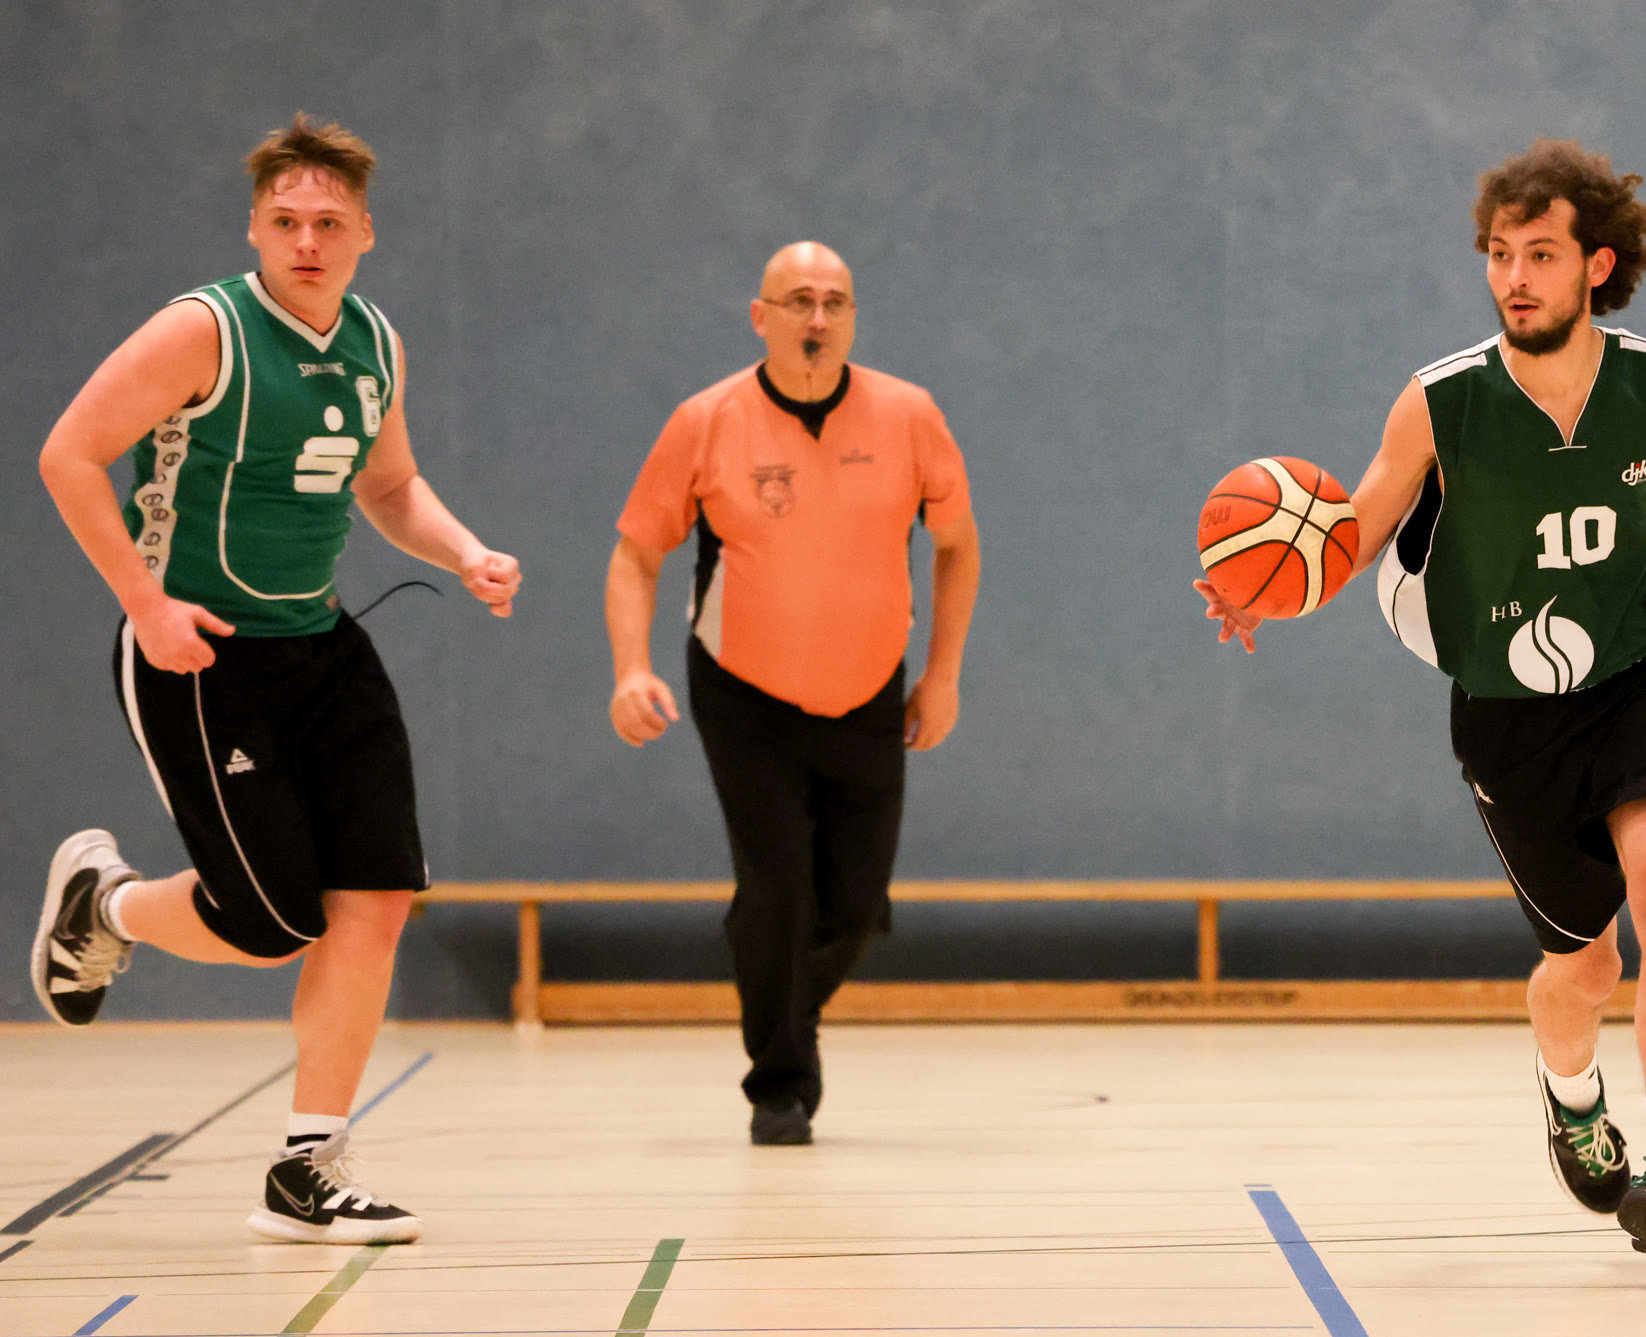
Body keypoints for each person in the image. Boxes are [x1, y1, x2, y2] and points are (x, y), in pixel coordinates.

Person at [1196, 140, 1646, 1260]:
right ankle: (1572, 1097)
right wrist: (1269, 591)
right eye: (1498, 254)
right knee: (1582, 967)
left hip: (1643, 673)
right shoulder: (1441, 401)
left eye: (1539, 254)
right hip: (1507, 712)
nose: (1513, 277)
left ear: (1594, 264)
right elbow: (1353, 534)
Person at [33, 113, 521, 1244]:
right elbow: (69, 453)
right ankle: (105, 902)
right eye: (286, 220)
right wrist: (146, 605)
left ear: (364, 234)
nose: (307, 241)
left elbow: (388, 486)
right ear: (254, 226)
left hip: (325, 648)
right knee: (270, 923)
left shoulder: (376, 341)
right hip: (202, 654)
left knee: (375, 900)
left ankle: (308, 1168)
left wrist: (465, 551)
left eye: (329, 224)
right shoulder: (202, 331)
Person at [607, 241, 980, 1146]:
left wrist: (941, 674)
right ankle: (779, 1083)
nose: (818, 319)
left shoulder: (909, 415)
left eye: (835, 302)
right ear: (761, 317)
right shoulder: (706, 420)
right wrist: (630, 669)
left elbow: (957, 545)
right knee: (777, 885)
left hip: (869, 691)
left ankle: (779, 993)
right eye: (799, 301)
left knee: (855, 904)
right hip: (744, 693)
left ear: (853, 317)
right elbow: (636, 554)